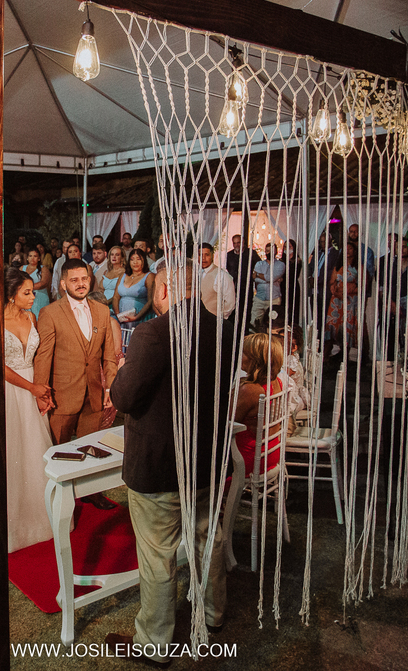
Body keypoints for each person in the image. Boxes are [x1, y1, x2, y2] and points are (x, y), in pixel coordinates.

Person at [106, 265, 234, 663]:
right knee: (207, 540)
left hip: (160, 465)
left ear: (163, 290)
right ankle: (213, 614)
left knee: (159, 554)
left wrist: (122, 371)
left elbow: (125, 397)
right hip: (207, 460)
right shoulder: (223, 328)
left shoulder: (152, 333)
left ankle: (155, 643)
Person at [34, 259, 119, 494]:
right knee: (59, 452)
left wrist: (110, 389)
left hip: (94, 395)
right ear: (63, 284)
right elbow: (43, 357)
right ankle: (60, 497)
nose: (81, 284)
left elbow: (109, 356)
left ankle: (92, 494)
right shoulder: (49, 313)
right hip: (62, 396)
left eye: (84, 279)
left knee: (92, 449)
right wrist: (42, 393)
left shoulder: (102, 311)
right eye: (74, 280)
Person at [3, 268, 56, 552]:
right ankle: (13, 521)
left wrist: (41, 391)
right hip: (11, 393)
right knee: (14, 451)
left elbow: (38, 358)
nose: (33, 296)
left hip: (32, 389)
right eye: (27, 292)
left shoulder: (31, 317)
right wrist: (30, 388)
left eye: (33, 291)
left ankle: (42, 519)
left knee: (35, 451)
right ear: (11, 296)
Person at [233, 332, 285, 475]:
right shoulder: (276, 381)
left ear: (254, 359)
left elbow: (226, 423)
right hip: (270, 454)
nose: (239, 356)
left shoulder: (250, 390)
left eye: (243, 352)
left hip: (246, 460)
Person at [323, 243, 361, 355]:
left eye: (350, 248)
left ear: (354, 251)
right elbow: (332, 282)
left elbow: (362, 286)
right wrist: (334, 289)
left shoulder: (359, 267)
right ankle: (327, 353)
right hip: (337, 300)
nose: (347, 251)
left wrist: (348, 291)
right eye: (345, 248)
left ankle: (345, 354)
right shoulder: (339, 266)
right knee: (331, 325)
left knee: (347, 325)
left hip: (350, 300)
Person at [114, 249, 155, 334]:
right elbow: (116, 297)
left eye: (138, 259)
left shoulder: (149, 276)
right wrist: (118, 315)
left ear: (144, 260)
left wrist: (137, 317)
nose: (135, 262)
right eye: (132, 259)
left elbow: (151, 300)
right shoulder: (123, 275)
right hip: (121, 317)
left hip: (139, 317)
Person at [251, 243, 285, 327]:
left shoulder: (280, 265)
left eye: (271, 251)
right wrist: (269, 279)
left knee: (273, 324)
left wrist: (259, 275)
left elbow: (271, 278)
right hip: (259, 298)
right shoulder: (259, 264)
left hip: (273, 299)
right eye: (267, 251)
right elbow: (255, 279)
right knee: (254, 323)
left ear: (275, 252)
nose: (269, 253)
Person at [198, 243, 235, 319]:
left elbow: (230, 303)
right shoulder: (194, 274)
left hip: (213, 323)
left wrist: (219, 318)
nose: (203, 258)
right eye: (200, 255)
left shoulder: (222, 275)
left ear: (212, 256)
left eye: (207, 255)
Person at [97, 244, 127, 314]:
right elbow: (100, 289)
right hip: (103, 304)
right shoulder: (106, 272)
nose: (114, 257)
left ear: (122, 258)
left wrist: (106, 303)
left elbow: (121, 293)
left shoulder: (125, 273)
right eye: (112, 254)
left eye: (117, 255)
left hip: (115, 305)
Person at [21, 248, 52, 316]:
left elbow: (44, 283)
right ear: (27, 258)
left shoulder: (43, 269)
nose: (32, 258)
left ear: (39, 258)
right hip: (26, 298)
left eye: (35, 256)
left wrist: (26, 288)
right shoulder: (22, 268)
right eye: (30, 256)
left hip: (40, 298)